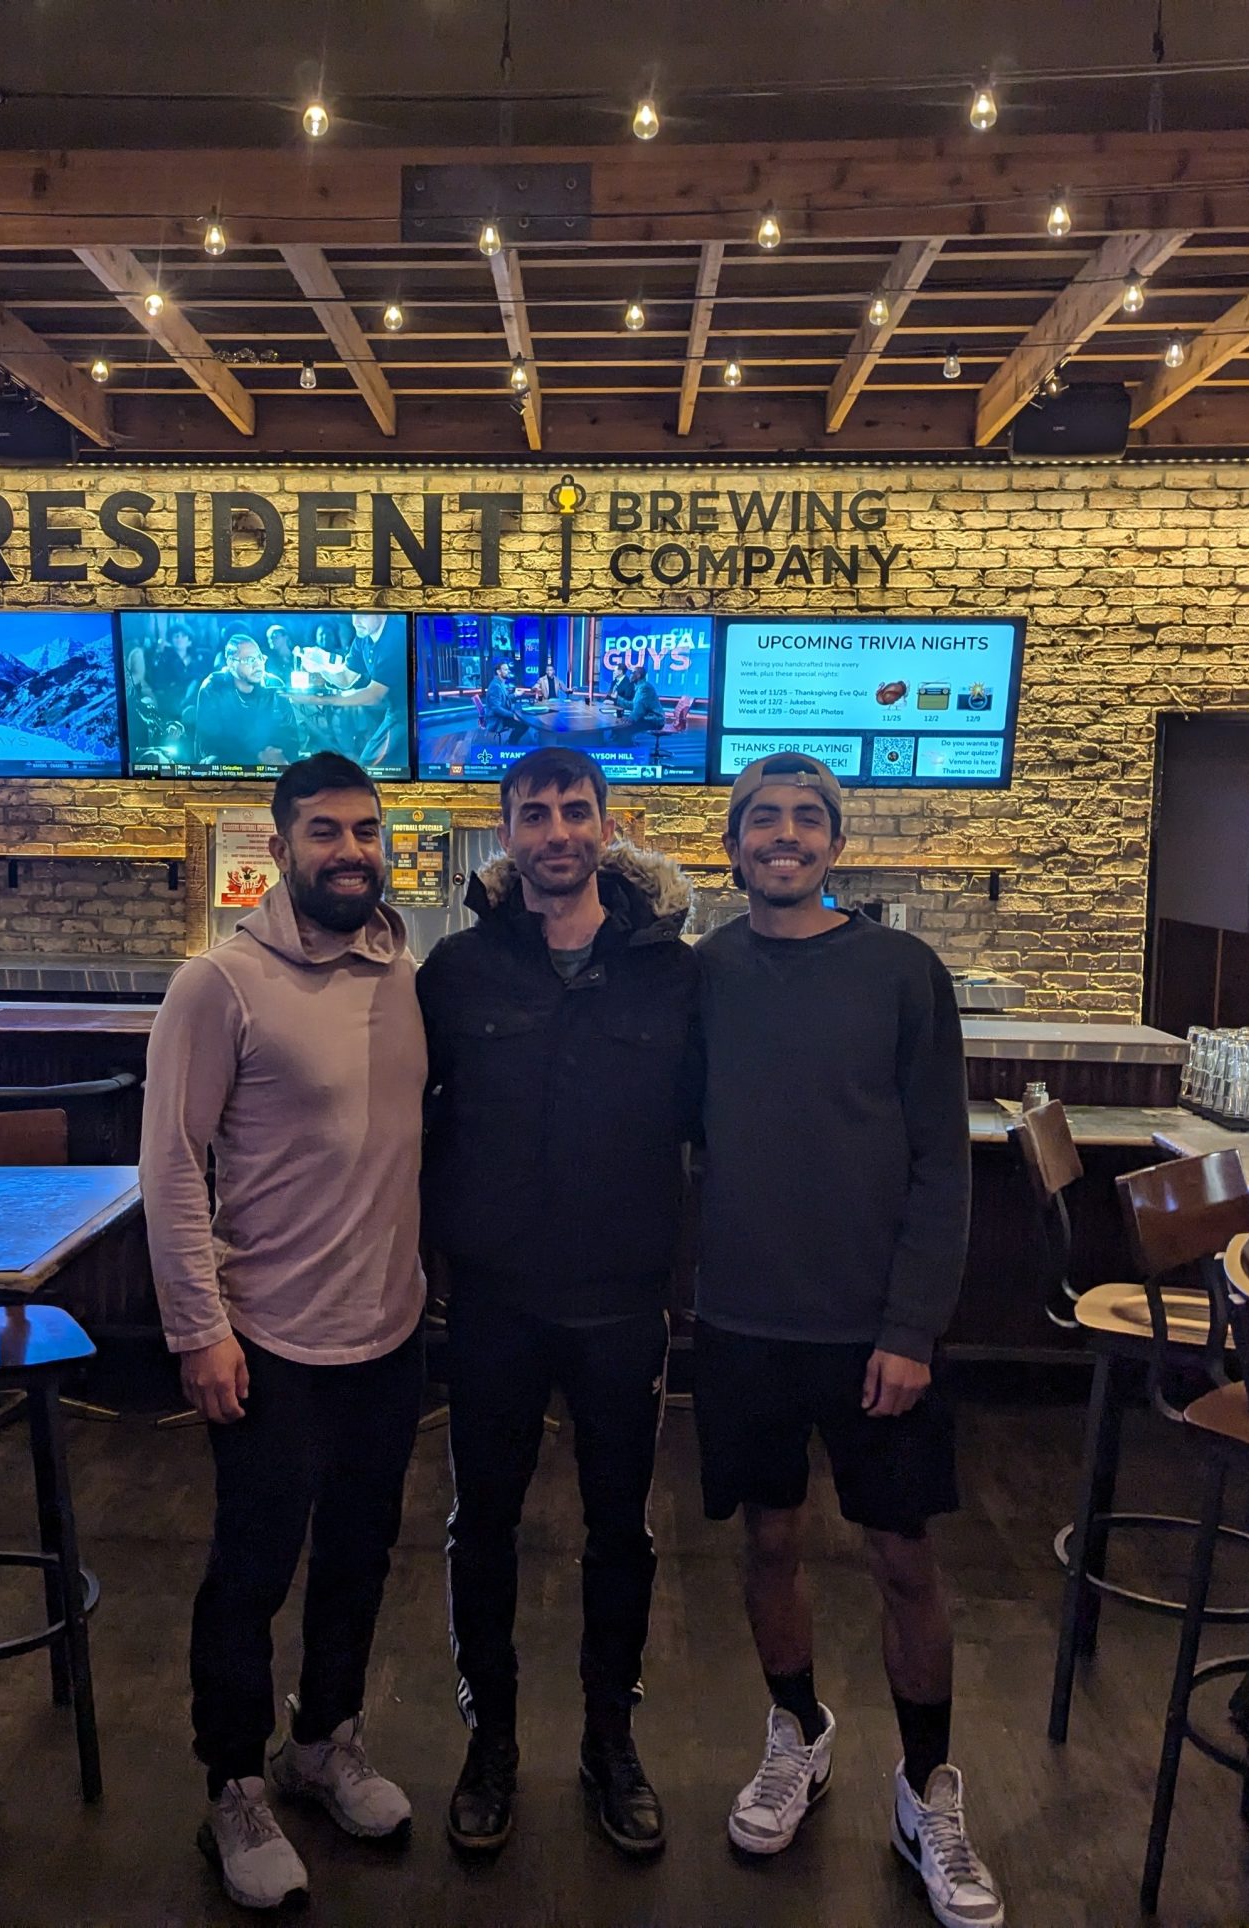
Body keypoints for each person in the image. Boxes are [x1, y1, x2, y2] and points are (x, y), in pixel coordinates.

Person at [695, 751, 1002, 1928]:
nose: (784, 834)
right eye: (762, 818)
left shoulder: (902, 972)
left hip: (876, 1332)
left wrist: (912, 1325)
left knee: (903, 1558)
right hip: (742, 1321)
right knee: (767, 1538)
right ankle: (796, 1731)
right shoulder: (707, 972)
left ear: (834, 841)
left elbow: (940, 1160)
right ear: (733, 845)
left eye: (805, 818)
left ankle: (926, 1789)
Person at [140, 752, 430, 1912]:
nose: (349, 850)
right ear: (280, 846)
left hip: (389, 1331)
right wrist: (197, 1329)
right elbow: (170, 1162)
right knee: (251, 1570)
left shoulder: (401, 966)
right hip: (265, 1337)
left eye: (365, 829)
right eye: (324, 830)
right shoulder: (219, 982)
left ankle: (322, 1742)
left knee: (360, 1553)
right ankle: (232, 1782)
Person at [418, 746, 698, 1858]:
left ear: (607, 825)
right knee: (481, 1525)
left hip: (623, 1298)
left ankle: (608, 1739)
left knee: (620, 1528)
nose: (556, 832)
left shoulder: (673, 972)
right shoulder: (455, 971)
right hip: (493, 1299)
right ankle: (489, 1741)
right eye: (533, 814)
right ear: (507, 832)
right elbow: (411, 1119)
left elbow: (713, 1122)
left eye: (575, 810)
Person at [188, 633, 298, 770]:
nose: (258, 665)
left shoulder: (274, 685)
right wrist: (257, 757)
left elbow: (290, 735)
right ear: (231, 663)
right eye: (249, 660)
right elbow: (207, 745)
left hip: (270, 762)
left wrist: (280, 755)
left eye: (260, 658)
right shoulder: (213, 687)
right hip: (230, 765)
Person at [480, 662, 531, 742]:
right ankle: (511, 743)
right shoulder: (495, 686)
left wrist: (515, 694)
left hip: (500, 715)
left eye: (508, 669)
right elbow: (496, 708)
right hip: (497, 719)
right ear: (498, 672)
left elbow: (504, 699)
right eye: (506, 669)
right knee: (524, 724)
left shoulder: (500, 683)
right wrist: (512, 715)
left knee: (521, 716)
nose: (508, 671)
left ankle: (511, 741)